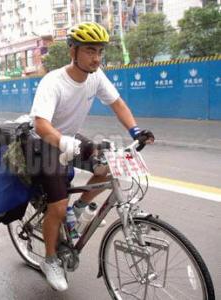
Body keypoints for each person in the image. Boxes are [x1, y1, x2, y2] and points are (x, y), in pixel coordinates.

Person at [29, 22, 154, 291]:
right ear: (73, 51)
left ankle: (82, 207)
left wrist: (135, 130)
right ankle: (50, 259)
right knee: (57, 207)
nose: (96, 57)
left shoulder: (96, 76)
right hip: (45, 144)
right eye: (89, 51)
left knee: (109, 164)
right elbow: (40, 125)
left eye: (99, 51)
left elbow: (117, 103)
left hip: (70, 139)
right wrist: (66, 143)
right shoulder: (53, 82)